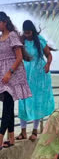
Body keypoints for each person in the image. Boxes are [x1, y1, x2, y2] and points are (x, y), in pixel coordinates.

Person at [17, 20, 55, 141]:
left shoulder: (39, 40)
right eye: (25, 33)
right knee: (23, 101)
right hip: (25, 75)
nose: (27, 35)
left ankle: (34, 130)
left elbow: (49, 55)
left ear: (32, 31)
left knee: (37, 102)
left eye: (29, 32)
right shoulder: (21, 41)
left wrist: (48, 64)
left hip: (39, 75)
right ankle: (23, 131)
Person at [0, 12, 32, 149]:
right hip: (3, 75)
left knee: (7, 106)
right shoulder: (1, 38)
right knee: (9, 105)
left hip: (12, 74)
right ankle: (11, 138)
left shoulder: (12, 36)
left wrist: (9, 72)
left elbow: (19, 57)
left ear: (4, 22)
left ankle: (0, 138)